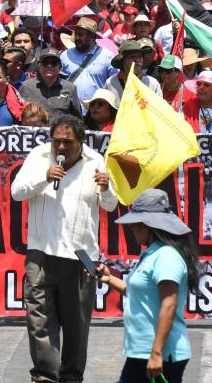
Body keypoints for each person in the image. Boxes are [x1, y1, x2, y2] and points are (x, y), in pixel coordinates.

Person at [11, 114, 117, 383]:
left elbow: (110, 205)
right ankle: (45, 376)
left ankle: (71, 377)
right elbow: (17, 191)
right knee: (39, 321)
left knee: (76, 325)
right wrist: (44, 178)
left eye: (67, 142)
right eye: (56, 141)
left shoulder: (95, 162)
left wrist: (105, 189)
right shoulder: (38, 156)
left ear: (81, 141)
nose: (60, 147)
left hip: (80, 257)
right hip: (41, 252)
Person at [96, 189, 197, 383]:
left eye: (134, 225)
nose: (131, 229)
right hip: (142, 352)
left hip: (160, 355)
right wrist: (109, 279)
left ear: (148, 226)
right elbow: (139, 294)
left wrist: (157, 353)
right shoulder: (153, 253)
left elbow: (169, 305)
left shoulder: (166, 256)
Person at [60, 17, 115, 105]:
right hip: (69, 110)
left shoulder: (107, 56)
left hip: (96, 111)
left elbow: (114, 85)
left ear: (92, 36)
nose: (77, 37)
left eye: (81, 34)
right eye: (76, 34)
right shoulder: (65, 55)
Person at [18, 48, 83, 123]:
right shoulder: (26, 87)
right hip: (34, 134)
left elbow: (77, 120)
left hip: (60, 133)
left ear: (60, 67)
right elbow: (19, 116)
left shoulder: (70, 88)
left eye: (54, 63)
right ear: (39, 65)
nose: (49, 66)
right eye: (45, 62)